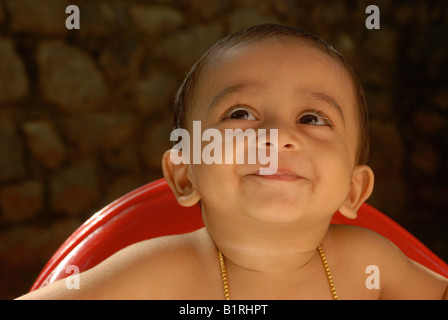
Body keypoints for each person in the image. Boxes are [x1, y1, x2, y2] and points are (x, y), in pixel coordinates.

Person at [18, 24, 448, 300]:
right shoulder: (160, 274)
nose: (278, 135)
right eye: (240, 114)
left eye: (312, 118)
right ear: (185, 173)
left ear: (354, 190)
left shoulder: (370, 264)